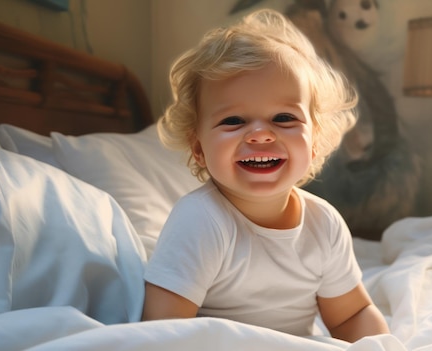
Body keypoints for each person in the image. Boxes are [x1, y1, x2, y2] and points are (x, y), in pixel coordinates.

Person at [142, 8, 389, 342]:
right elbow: (163, 333)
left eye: (284, 117)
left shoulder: (324, 224)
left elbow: (351, 315)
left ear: (315, 141)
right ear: (198, 148)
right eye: (233, 121)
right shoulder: (200, 221)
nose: (260, 134)